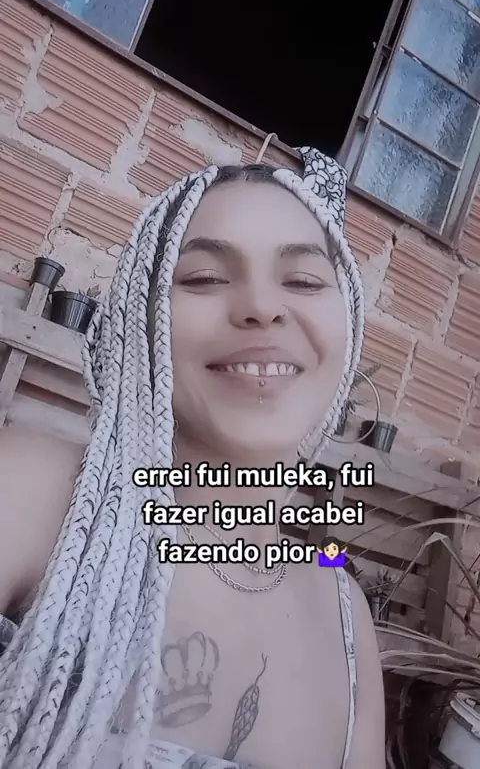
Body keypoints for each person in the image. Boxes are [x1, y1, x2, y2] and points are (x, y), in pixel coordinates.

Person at [0, 146, 386, 769]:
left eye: (304, 281)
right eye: (204, 278)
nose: (263, 307)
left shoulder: (348, 622)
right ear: (143, 318)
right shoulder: (35, 494)